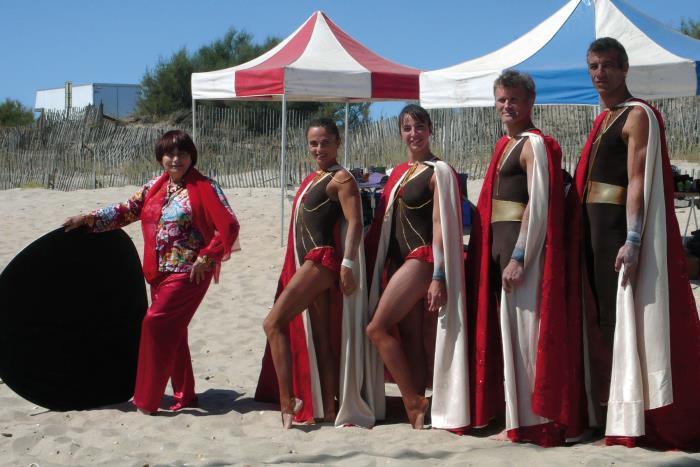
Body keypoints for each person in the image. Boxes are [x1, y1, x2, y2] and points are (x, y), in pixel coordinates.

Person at [565, 37, 700, 449]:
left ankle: (634, 412)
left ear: (624, 69)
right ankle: (612, 406)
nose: (599, 73)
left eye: (607, 65)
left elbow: (637, 178)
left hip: (614, 234)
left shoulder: (635, 115)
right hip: (591, 231)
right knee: (602, 323)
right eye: (593, 66)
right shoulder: (602, 118)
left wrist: (635, 238)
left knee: (620, 322)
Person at [63, 130, 240, 415]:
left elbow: (229, 226)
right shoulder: (154, 188)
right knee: (174, 332)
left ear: (191, 156)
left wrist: (207, 258)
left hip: (188, 272)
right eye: (170, 154)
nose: (176, 159)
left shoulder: (206, 187)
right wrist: (87, 219)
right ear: (161, 159)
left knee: (154, 324)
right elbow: (126, 211)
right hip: (157, 273)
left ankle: (146, 398)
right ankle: (185, 394)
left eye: (182, 153)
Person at [466, 70, 572, 446]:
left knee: (528, 337)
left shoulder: (533, 144)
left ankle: (535, 419)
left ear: (530, 102)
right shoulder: (504, 144)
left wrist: (520, 255)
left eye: (514, 99)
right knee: (508, 335)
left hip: (520, 254)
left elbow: (536, 205)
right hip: (498, 251)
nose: (507, 106)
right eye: (501, 99)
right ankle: (515, 416)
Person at [256, 118, 377, 429]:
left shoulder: (341, 179)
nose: (319, 148)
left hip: (321, 261)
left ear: (337, 143)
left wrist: (348, 265)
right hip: (309, 262)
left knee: (273, 322)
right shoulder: (315, 177)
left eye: (325, 142)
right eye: (313, 143)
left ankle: (287, 402)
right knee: (322, 338)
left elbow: (355, 223)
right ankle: (328, 405)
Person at [365, 104, 469, 431]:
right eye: (407, 128)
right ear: (401, 133)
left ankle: (413, 399)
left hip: (422, 260)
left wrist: (439, 274)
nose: (414, 134)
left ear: (430, 129)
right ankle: (421, 408)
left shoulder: (438, 171)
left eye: (419, 127)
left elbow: (441, 224)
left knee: (376, 328)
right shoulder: (400, 172)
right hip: (400, 262)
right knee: (411, 339)